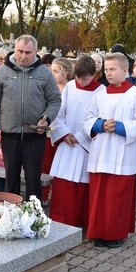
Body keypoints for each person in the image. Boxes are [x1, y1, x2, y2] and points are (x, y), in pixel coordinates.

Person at [82, 52, 136, 248]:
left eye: (112, 69)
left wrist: (120, 127)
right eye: (106, 70)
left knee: (116, 198)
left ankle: (115, 234)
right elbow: (86, 120)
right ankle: (97, 232)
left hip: (123, 154)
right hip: (102, 152)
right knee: (99, 196)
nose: (109, 73)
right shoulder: (100, 94)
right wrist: (100, 125)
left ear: (124, 70)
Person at [0, 35, 62, 202]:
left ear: (36, 52)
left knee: (33, 180)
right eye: (20, 51)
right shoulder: (2, 72)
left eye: (28, 52)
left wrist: (47, 118)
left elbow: (55, 99)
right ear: (15, 49)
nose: (23, 56)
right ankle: (11, 216)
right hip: (9, 135)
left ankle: (33, 218)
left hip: (35, 136)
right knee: (11, 179)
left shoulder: (44, 73)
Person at [49, 56, 104, 227]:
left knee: (82, 184)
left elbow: (98, 119)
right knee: (63, 184)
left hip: (85, 145)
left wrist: (80, 137)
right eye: (78, 77)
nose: (81, 81)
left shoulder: (101, 91)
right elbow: (59, 112)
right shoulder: (70, 87)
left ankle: (80, 222)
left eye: (85, 78)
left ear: (94, 74)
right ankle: (60, 220)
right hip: (67, 143)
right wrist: (64, 134)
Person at [42, 57, 74, 201]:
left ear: (65, 72)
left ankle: (57, 195)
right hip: (48, 133)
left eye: (55, 71)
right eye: (51, 71)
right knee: (46, 166)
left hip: (63, 134)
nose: (52, 74)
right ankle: (43, 196)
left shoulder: (71, 89)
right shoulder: (49, 87)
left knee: (60, 165)